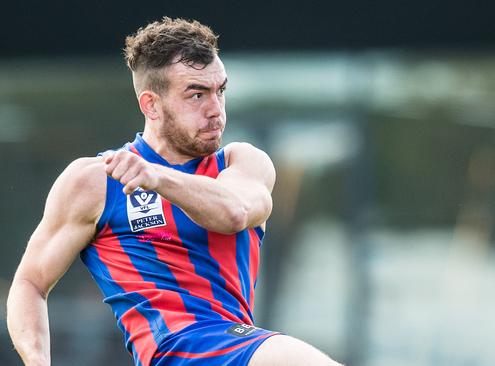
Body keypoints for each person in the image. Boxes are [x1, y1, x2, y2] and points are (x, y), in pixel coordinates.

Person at [6, 17, 342, 366]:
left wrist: (158, 177)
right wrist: (36, 361)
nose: (215, 110)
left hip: (231, 343)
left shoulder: (242, 163)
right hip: (178, 351)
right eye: (197, 94)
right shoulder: (95, 181)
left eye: (220, 91)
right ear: (151, 105)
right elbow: (30, 283)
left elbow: (235, 213)